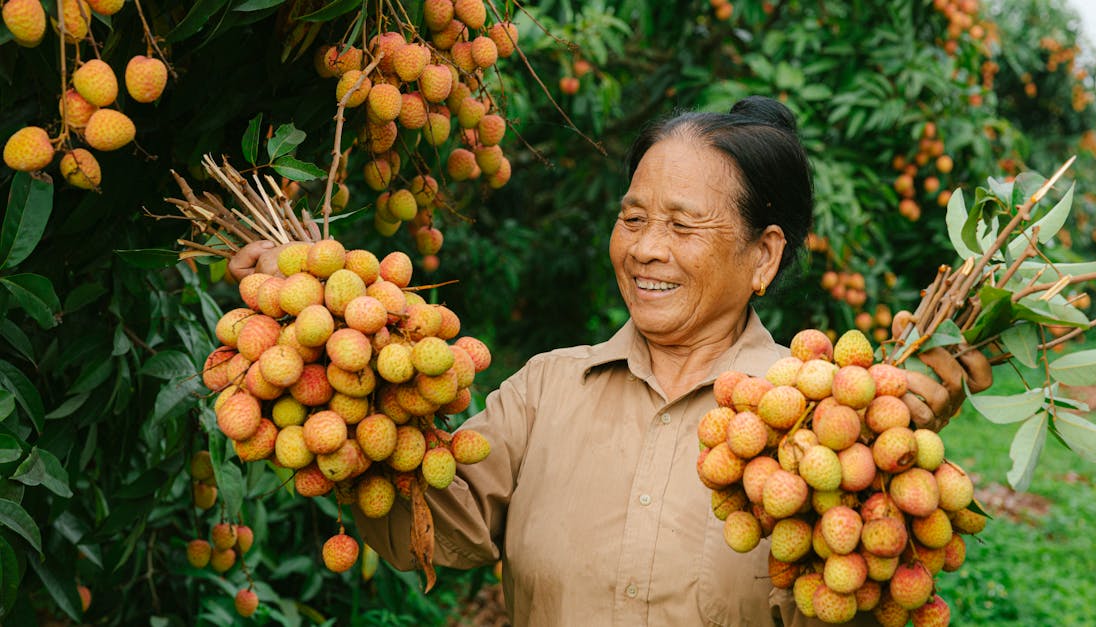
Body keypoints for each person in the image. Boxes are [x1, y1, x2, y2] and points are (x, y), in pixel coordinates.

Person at [230, 96, 991, 625]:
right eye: (633, 218)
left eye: (684, 225)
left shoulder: (821, 425)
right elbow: (437, 525)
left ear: (764, 256)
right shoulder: (544, 390)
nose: (646, 248)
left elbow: (852, 598)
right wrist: (318, 363)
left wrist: (881, 476)